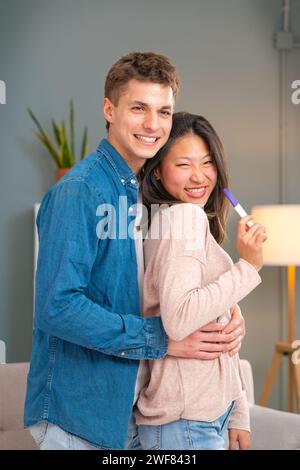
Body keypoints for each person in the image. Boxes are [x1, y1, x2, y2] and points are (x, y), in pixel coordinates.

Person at [24, 53, 247, 450]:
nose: (153, 124)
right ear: (109, 109)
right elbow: (57, 306)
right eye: (139, 108)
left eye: (164, 111)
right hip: (76, 415)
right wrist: (160, 337)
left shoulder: (138, 195)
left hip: (123, 412)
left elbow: (160, 289)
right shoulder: (81, 191)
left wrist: (227, 318)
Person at [135, 112, 267, 450]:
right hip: (187, 422)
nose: (199, 176)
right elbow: (179, 320)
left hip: (201, 417)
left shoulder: (177, 220)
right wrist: (248, 267)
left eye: (207, 163)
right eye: (183, 165)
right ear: (159, 173)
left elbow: (216, 334)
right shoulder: (184, 217)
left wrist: (237, 413)